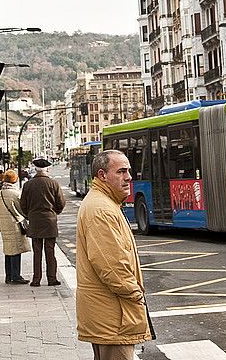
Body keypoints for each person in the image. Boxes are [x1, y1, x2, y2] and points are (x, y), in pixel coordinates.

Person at [76, 150, 153, 359]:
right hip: (113, 314)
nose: (128, 176)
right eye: (121, 171)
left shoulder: (103, 203)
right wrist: (135, 293)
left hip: (107, 312)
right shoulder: (101, 209)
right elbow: (111, 265)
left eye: (128, 170)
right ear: (102, 175)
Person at [19, 157, 65, 287]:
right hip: (50, 221)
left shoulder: (28, 185)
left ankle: (36, 279)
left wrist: (29, 215)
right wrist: (55, 212)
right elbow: (61, 202)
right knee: (50, 251)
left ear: (35, 169)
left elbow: (23, 204)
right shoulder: (54, 184)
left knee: (37, 252)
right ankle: (52, 279)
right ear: (47, 170)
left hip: (34, 221)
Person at [0, 169, 30, 284]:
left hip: (4, 225)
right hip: (14, 225)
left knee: (8, 250)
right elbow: (22, 209)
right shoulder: (14, 194)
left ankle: (8, 275)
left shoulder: (0, 193)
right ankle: (16, 276)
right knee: (16, 250)